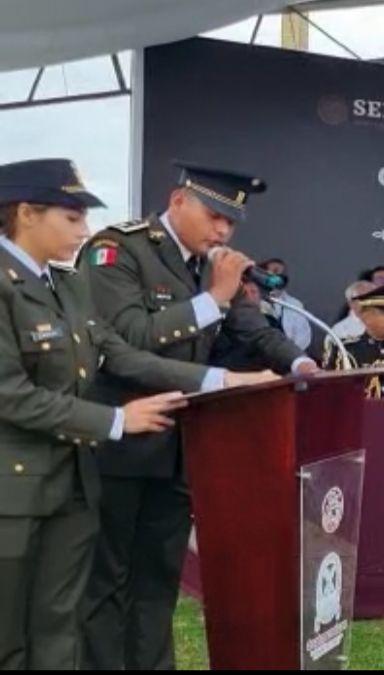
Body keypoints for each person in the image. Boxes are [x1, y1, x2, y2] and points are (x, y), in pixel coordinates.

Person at [0, 158, 270, 670]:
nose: (84, 230)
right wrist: (118, 421)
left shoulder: (63, 283)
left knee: (57, 630)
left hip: (72, 483)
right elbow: (10, 395)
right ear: (27, 213)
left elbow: (117, 352)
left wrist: (225, 380)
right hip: (15, 490)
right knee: (9, 633)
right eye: (72, 217)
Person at [78, 161, 317, 671]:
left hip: (183, 447)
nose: (223, 231)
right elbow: (130, 337)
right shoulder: (118, 251)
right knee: (107, 580)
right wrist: (212, 298)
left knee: (157, 580)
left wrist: (299, 363)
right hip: (121, 442)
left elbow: (250, 330)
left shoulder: (211, 266)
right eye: (215, 216)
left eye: (231, 224)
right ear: (178, 200)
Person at [255, 258, 312, 350]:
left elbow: (304, 337)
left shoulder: (294, 304)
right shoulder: (249, 301)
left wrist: (289, 354)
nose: (279, 278)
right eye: (275, 272)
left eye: (282, 275)